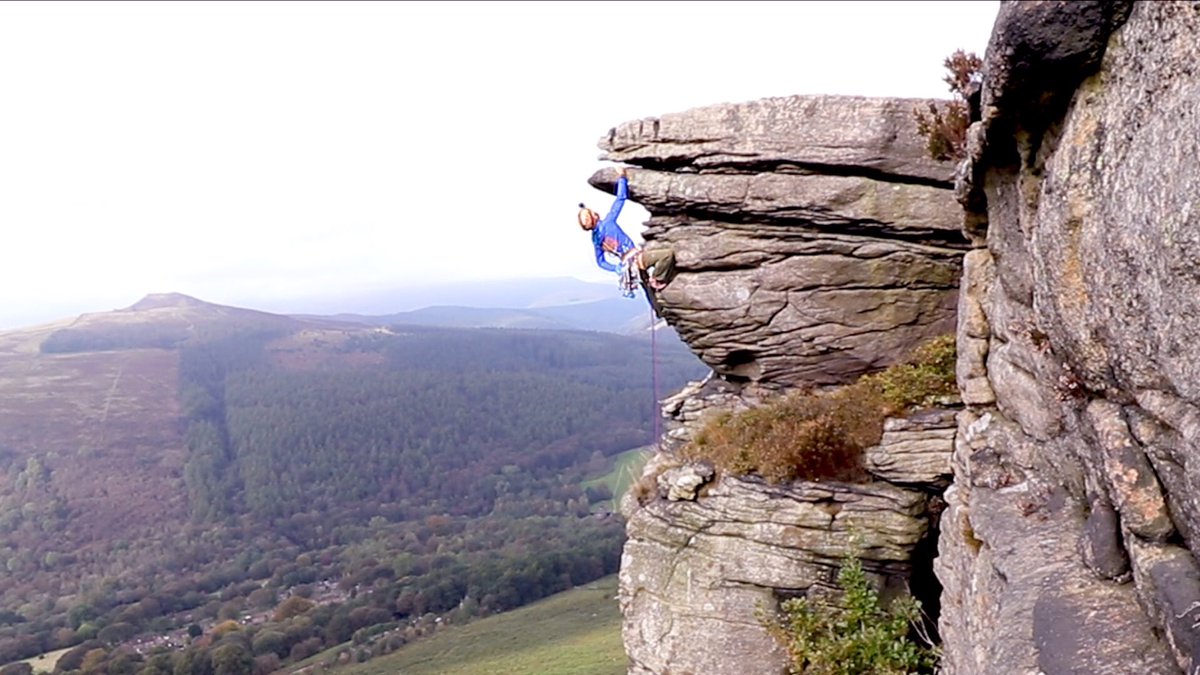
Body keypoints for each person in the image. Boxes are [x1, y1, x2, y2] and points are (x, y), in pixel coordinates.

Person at [577, 167, 676, 307]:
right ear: (594, 216)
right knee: (666, 255)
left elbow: (601, 262)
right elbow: (620, 199)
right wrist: (622, 178)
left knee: (649, 291)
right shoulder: (608, 223)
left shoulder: (596, 240)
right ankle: (657, 279)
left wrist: (616, 268)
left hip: (627, 267)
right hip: (636, 259)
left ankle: (660, 311)